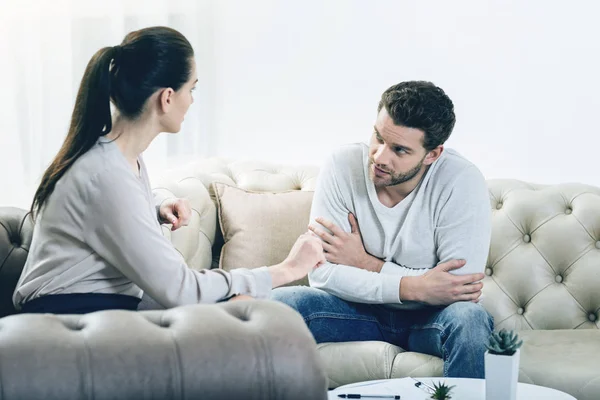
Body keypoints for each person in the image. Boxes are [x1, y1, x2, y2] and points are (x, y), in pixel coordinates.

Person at [13, 26, 325, 315]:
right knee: (240, 313)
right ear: (167, 97)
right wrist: (285, 270)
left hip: (94, 315)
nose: (191, 101)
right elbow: (180, 289)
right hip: (65, 326)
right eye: (192, 89)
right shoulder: (104, 174)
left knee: (237, 310)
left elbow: (109, 217)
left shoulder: (117, 159)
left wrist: (155, 209)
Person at [271, 81, 494, 378]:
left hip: (430, 320)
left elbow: (457, 289)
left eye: (399, 150)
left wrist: (366, 264)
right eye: (378, 138)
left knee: (470, 320)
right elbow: (322, 274)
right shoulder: (342, 165)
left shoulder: (461, 181)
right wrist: (415, 287)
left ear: (432, 154)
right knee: (277, 306)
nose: (379, 157)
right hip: (353, 311)